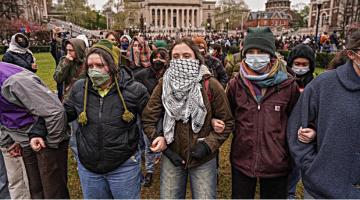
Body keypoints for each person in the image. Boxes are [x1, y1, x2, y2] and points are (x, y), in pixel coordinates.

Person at [142, 38, 234, 199]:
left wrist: (207, 146)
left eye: (186, 56)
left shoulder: (210, 84)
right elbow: (148, 118)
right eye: (176, 57)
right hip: (172, 153)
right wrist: (159, 140)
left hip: (203, 157)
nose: (181, 61)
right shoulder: (164, 84)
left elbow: (227, 122)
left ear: (197, 58)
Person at [64, 40, 149, 199]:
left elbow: (150, 120)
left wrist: (158, 137)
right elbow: (63, 114)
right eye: (90, 66)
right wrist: (39, 129)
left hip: (123, 166)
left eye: (100, 65)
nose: (94, 70)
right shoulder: (79, 88)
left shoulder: (134, 90)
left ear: (113, 66)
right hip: (89, 168)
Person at [227, 27, 300, 199]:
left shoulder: (288, 86)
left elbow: (296, 121)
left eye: (261, 52)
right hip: (243, 159)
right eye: (250, 52)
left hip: (277, 162)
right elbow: (228, 116)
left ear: (271, 55)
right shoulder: (235, 84)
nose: (255, 56)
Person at [287, 30, 360, 199]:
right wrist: (312, 167)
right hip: (322, 190)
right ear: (352, 55)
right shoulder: (324, 85)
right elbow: (296, 128)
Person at [0, 61, 69, 198]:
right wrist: (8, 140)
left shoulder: (14, 82)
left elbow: (55, 112)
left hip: (46, 135)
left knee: (52, 190)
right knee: (36, 189)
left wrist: (51, 145)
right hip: (25, 139)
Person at [286, 43, 316, 198]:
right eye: (297, 64)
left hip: (304, 140)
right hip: (284, 137)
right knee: (287, 180)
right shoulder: (284, 83)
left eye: (305, 64)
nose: (300, 67)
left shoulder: (315, 86)